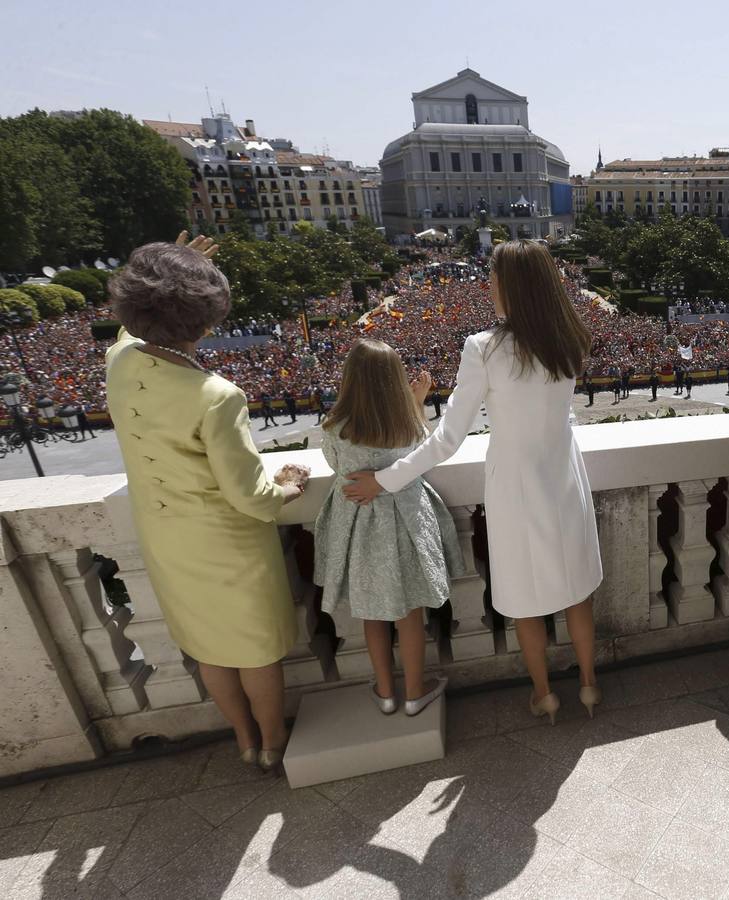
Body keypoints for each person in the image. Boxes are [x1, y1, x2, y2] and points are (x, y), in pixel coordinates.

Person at [343, 240, 603, 724]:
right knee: (576, 592)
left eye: (494, 278)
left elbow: (447, 440)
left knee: (526, 602)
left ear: (511, 287)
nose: (488, 287)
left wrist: (386, 479)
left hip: (515, 485)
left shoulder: (484, 347)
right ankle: (589, 685)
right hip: (564, 474)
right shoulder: (571, 338)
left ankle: (544, 693)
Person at [105, 236, 307, 772]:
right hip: (226, 544)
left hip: (168, 541)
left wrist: (172, 271)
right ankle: (272, 741)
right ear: (208, 321)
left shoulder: (120, 359)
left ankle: (242, 738)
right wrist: (289, 484)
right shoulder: (217, 395)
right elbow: (253, 497)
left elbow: (133, 328)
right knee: (255, 652)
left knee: (211, 647)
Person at [314, 339, 463, 716]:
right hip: (407, 524)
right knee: (410, 614)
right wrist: (417, 404)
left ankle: (384, 691)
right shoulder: (407, 423)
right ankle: (415, 692)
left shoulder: (335, 427)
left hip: (361, 528)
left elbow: (337, 469)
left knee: (372, 614)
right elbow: (422, 452)